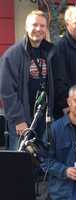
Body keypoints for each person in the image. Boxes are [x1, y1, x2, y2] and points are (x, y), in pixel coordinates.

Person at [0, 10, 55, 150]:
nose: (38, 29)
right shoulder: (12, 55)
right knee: (20, 162)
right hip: (22, 121)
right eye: (34, 25)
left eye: (42, 26)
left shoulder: (50, 51)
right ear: (26, 26)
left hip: (44, 119)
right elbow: (7, 91)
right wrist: (18, 120)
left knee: (42, 162)